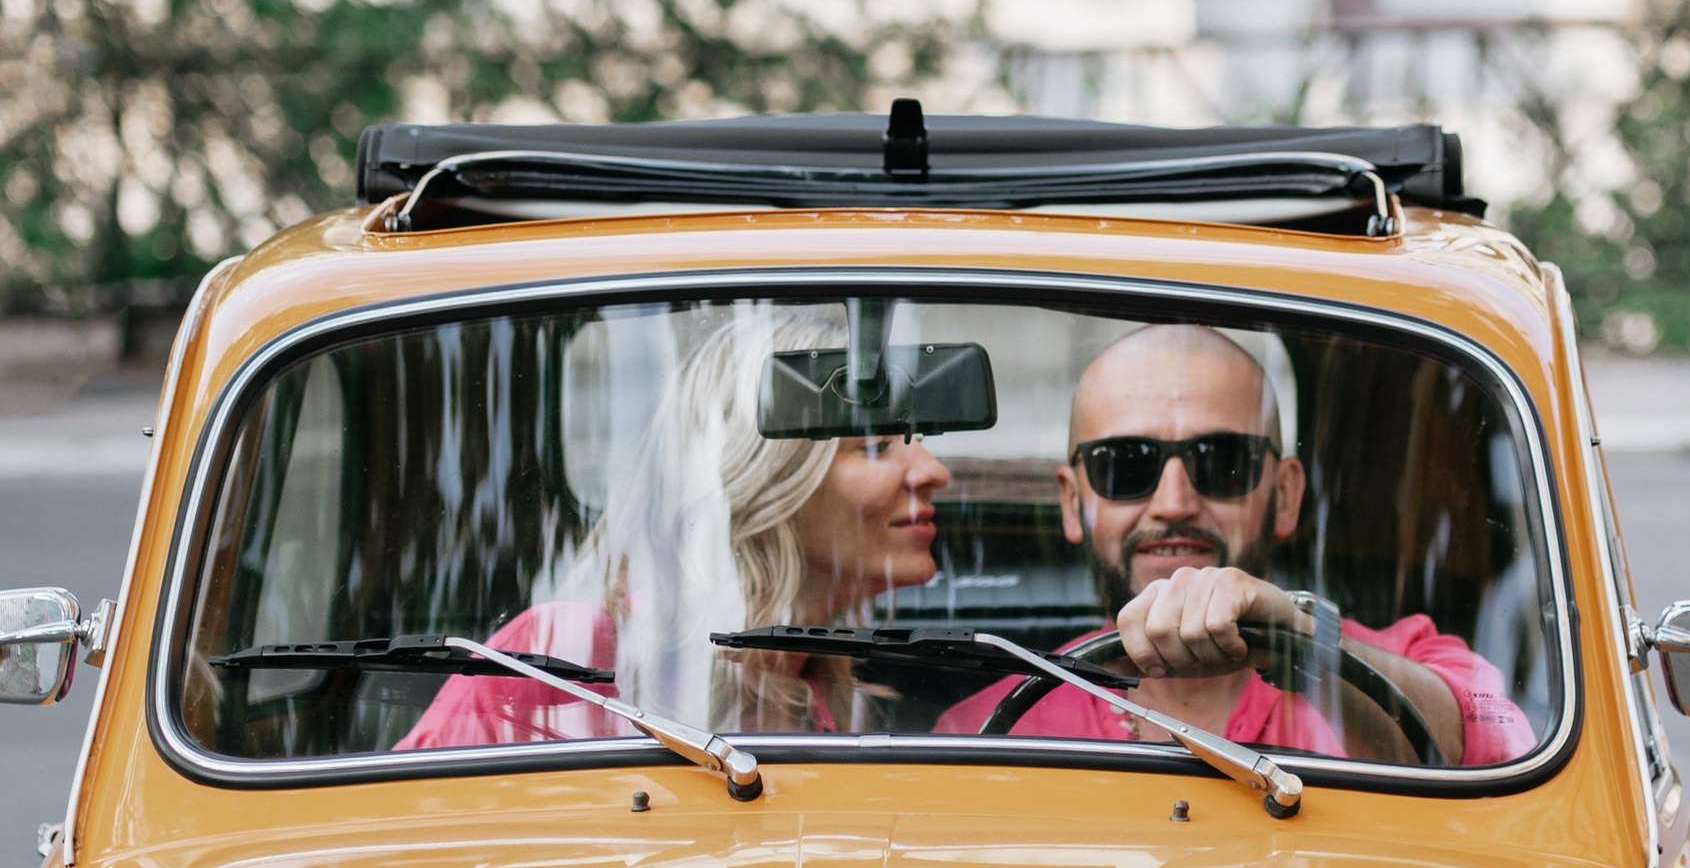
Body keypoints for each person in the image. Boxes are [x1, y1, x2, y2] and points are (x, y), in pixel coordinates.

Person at [937, 320, 1533, 769]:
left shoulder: (1411, 658)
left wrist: (1304, 647)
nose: (1174, 502)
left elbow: (1499, 739)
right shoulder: (989, 728)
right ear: (1073, 502)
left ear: (1284, 495)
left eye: (1221, 462)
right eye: (1125, 466)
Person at [401, 309, 952, 752]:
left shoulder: (821, 696)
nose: (934, 471)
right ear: (765, 479)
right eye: (876, 447)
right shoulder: (573, 653)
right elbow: (409, 848)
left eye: (917, 439)